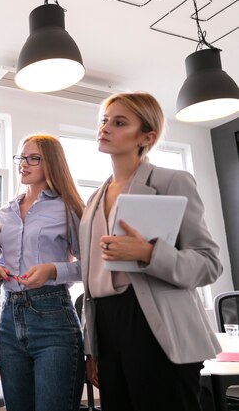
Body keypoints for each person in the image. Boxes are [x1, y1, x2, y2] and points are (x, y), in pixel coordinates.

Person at [80, 92, 223, 411]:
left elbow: (209, 264)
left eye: (119, 122)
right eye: (104, 120)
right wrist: (93, 346)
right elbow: (92, 283)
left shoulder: (172, 181)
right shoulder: (92, 201)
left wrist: (149, 253)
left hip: (155, 323)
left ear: (147, 137)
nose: (105, 127)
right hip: (107, 321)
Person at [0, 134, 85, 411]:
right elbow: (0, 259)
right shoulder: (4, 212)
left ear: (51, 163)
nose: (23, 164)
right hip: (9, 318)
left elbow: (91, 266)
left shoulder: (68, 207)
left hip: (54, 316)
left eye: (33, 158)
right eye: (21, 157)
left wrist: (54, 269)